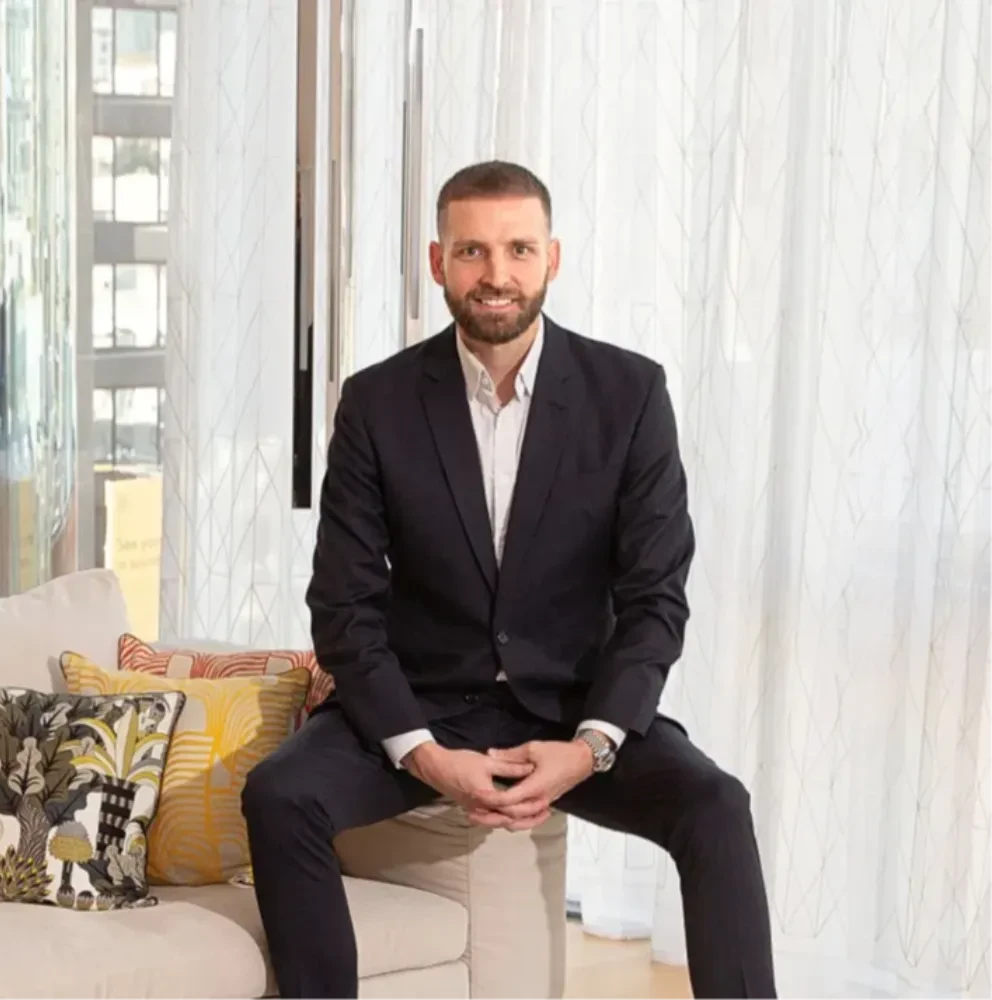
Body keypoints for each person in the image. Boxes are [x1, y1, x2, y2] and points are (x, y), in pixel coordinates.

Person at [241, 160, 778, 1000]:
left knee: (717, 806)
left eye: (519, 249)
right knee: (280, 795)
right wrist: (422, 754)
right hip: (425, 703)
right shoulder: (377, 403)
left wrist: (590, 747)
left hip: (570, 706)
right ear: (438, 261)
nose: (497, 274)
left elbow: (654, 599)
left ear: (551, 258)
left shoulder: (631, 394)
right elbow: (344, 607)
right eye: (472, 251)